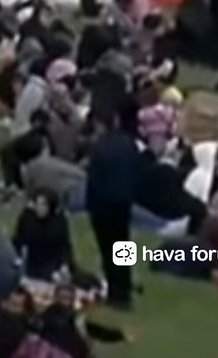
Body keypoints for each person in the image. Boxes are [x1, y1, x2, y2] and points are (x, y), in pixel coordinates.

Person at [86, 109, 138, 309]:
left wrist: (91, 207)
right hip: (123, 202)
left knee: (108, 249)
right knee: (123, 244)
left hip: (103, 204)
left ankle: (115, 293)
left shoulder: (98, 147)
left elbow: (94, 180)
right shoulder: (128, 143)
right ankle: (125, 287)